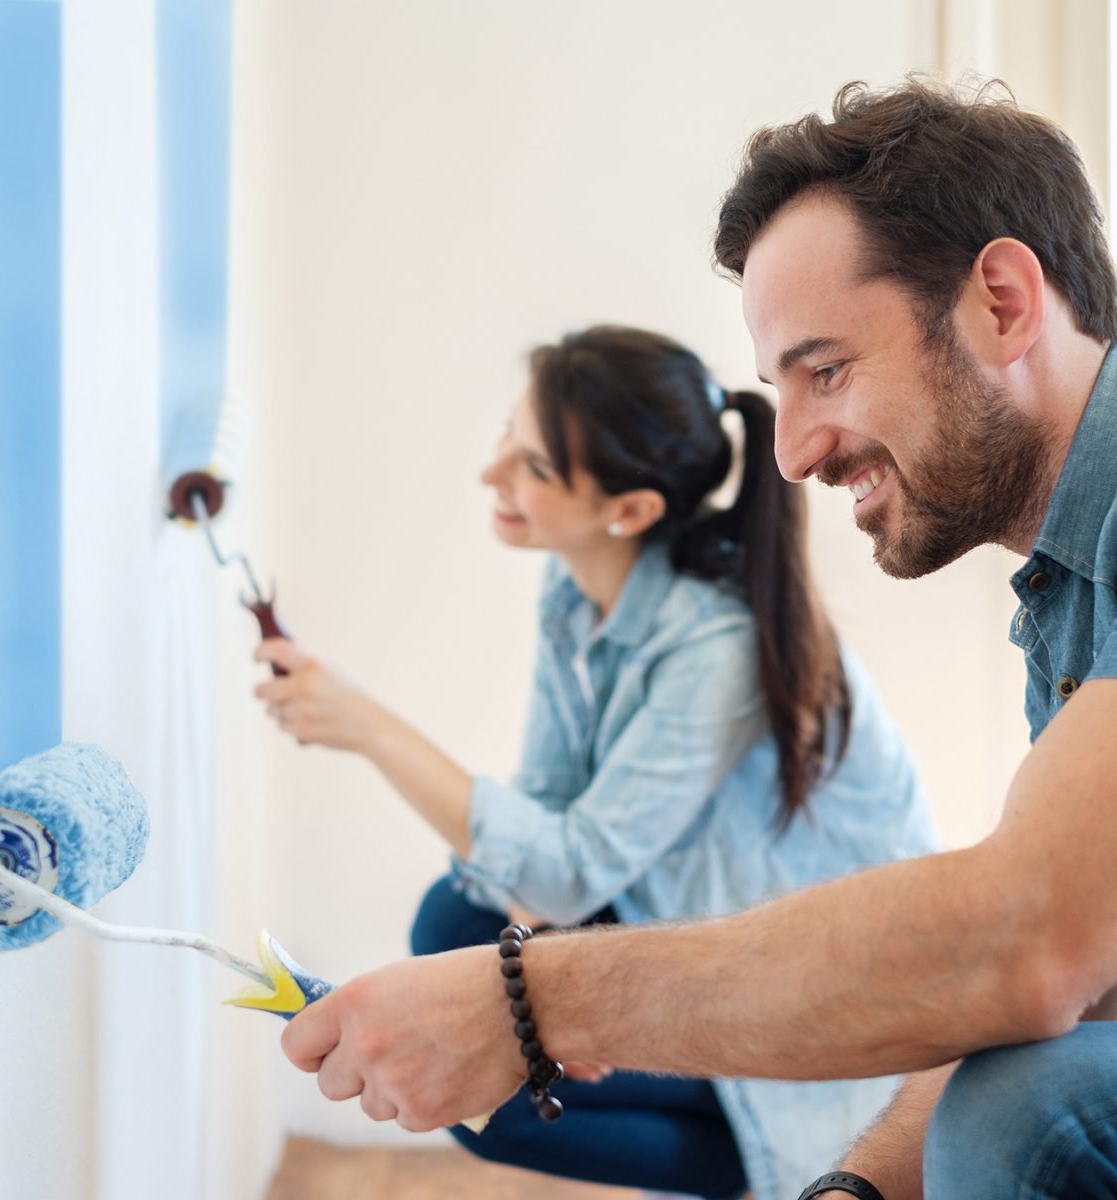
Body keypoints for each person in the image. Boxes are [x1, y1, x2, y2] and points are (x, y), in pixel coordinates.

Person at [275, 78, 1117, 1200]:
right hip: (857, 992)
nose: (794, 453)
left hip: (858, 1008)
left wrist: (527, 999)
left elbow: (1028, 946)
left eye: (828, 370)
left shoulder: (718, 640)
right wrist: (852, 1191)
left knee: (1018, 1120)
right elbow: (1075, 972)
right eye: (782, 389)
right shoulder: (1061, 595)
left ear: (1004, 302)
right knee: (455, 922)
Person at [255, 323, 936, 1200]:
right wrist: (548, 991)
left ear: (631, 512)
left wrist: (369, 729)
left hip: (817, 997)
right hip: (688, 916)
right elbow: (545, 814)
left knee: (482, 1070)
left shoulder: (716, 648)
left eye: (533, 466)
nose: (492, 471)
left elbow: (568, 874)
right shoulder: (576, 590)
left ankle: (775, 1150)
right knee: (454, 929)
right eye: (512, 432)